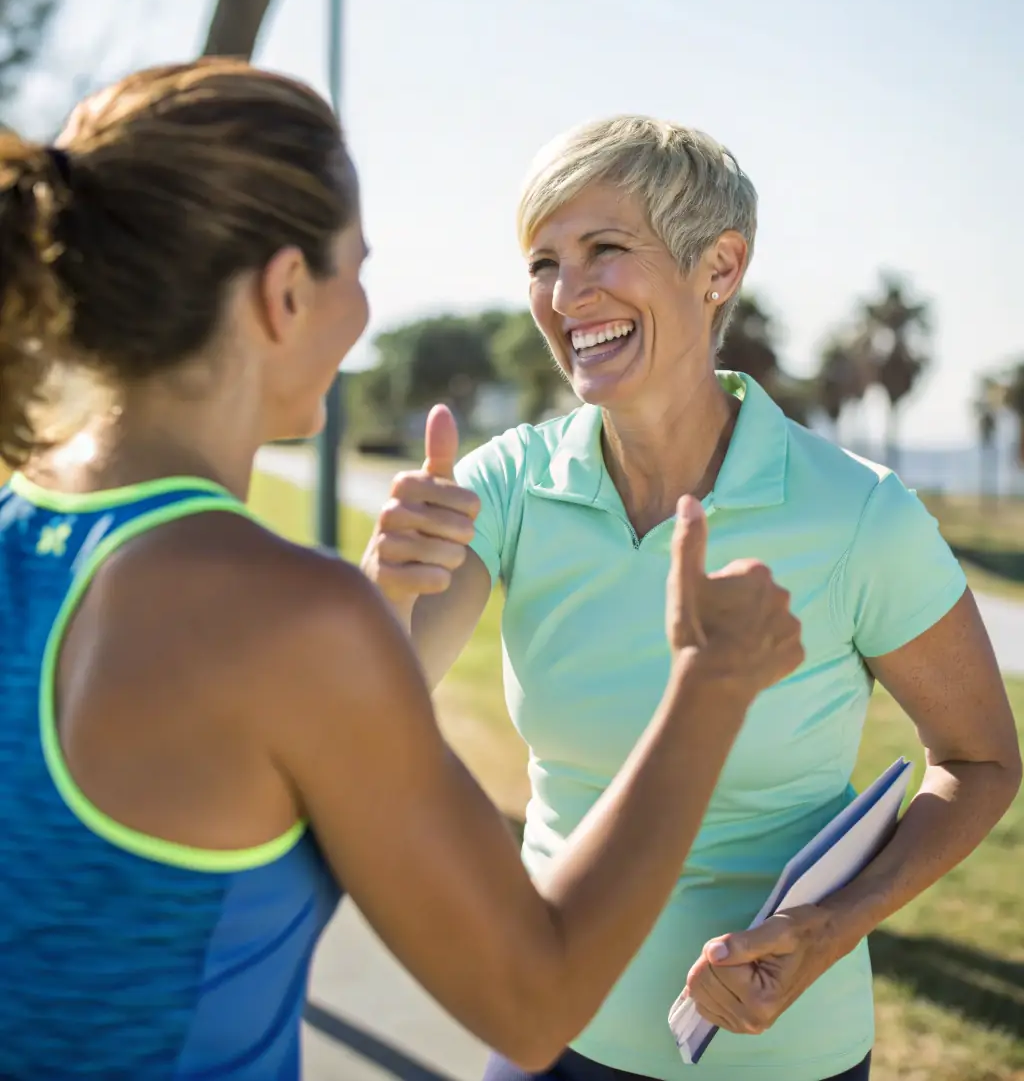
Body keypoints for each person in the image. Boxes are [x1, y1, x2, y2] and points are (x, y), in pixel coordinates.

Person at [0, 63, 805, 1081]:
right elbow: (533, 1003)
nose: (366, 317)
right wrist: (711, 685)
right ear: (286, 293)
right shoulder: (287, 618)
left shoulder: (21, 526)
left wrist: (385, 605)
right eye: (356, 269)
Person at [363, 116, 1022, 1081]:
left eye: (605, 249)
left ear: (717, 267)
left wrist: (832, 925)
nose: (564, 293)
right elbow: (375, 704)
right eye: (543, 261)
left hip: (776, 1056)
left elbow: (980, 757)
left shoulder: (861, 515)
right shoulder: (509, 480)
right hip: (547, 1025)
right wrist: (387, 589)